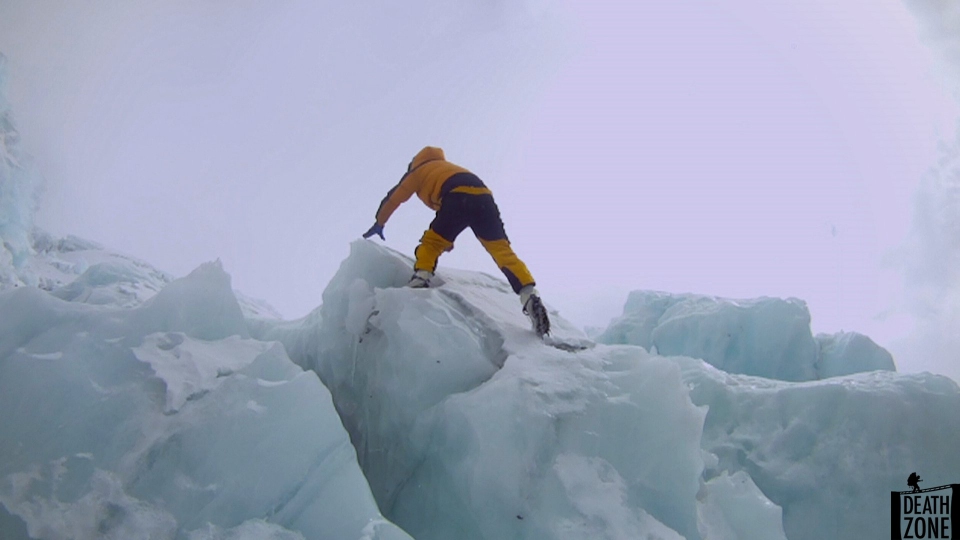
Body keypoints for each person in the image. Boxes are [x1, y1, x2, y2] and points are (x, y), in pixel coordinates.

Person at [363, 146, 549, 336]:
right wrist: (449, 239)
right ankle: (529, 295)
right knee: (503, 252)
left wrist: (380, 222)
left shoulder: (418, 172)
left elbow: (393, 199)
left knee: (430, 243)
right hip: (484, 198)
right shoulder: (448, 166)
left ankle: (421, 278)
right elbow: (452, 215)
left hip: (456, 196)